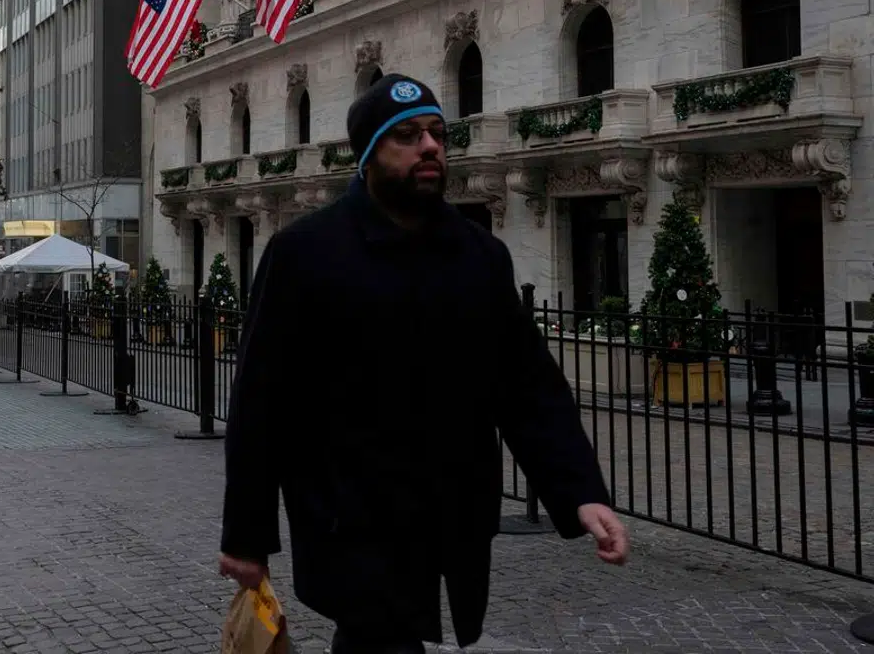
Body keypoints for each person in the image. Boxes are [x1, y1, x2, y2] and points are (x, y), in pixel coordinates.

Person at [218, 74, 629, 654]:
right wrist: (246, 536)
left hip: (451, 512)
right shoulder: (304, 253)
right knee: (378, 640)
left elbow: (527, 387)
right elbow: (261, 402)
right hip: (350, 517)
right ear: (368, 156)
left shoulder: (481, 255)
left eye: (437, 133)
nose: (431, 146)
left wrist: (581, 492)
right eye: (406, 136)